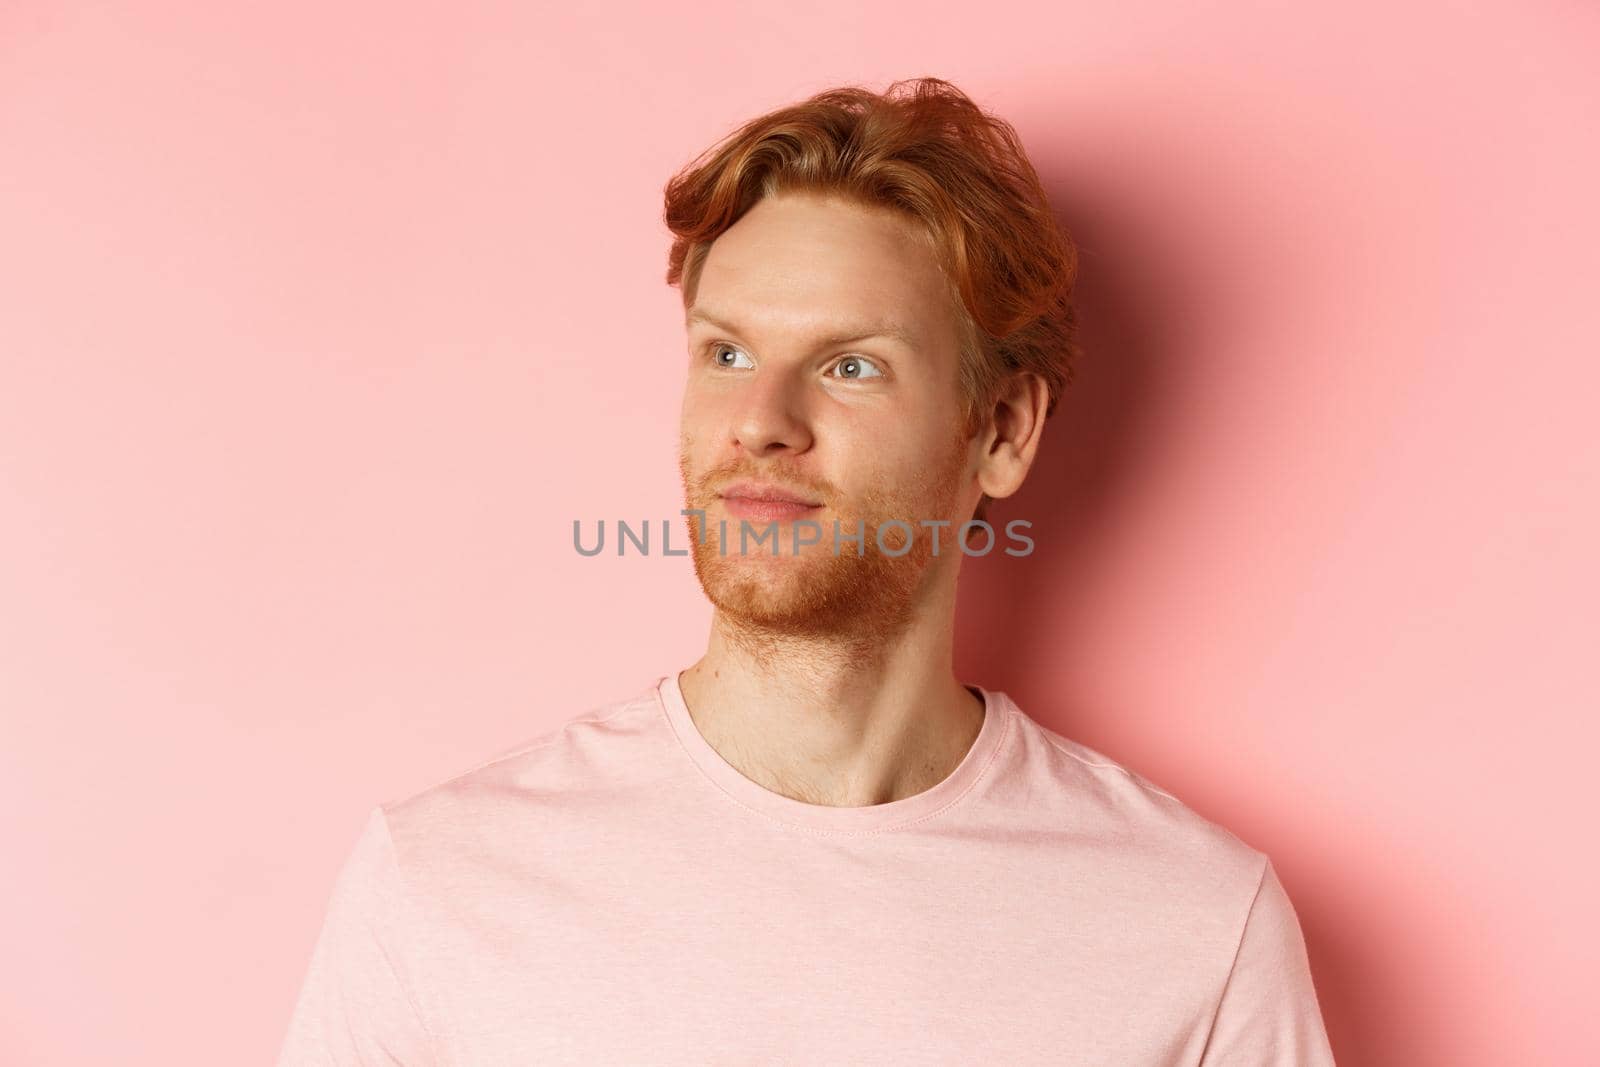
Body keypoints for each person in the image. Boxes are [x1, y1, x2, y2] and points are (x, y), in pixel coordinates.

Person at [277, 77, 1337, 1065]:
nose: (760, 423)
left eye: (851, 366)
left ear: (1003, 430)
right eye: (725, 353)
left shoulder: (1191, 920)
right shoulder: (445, 880)